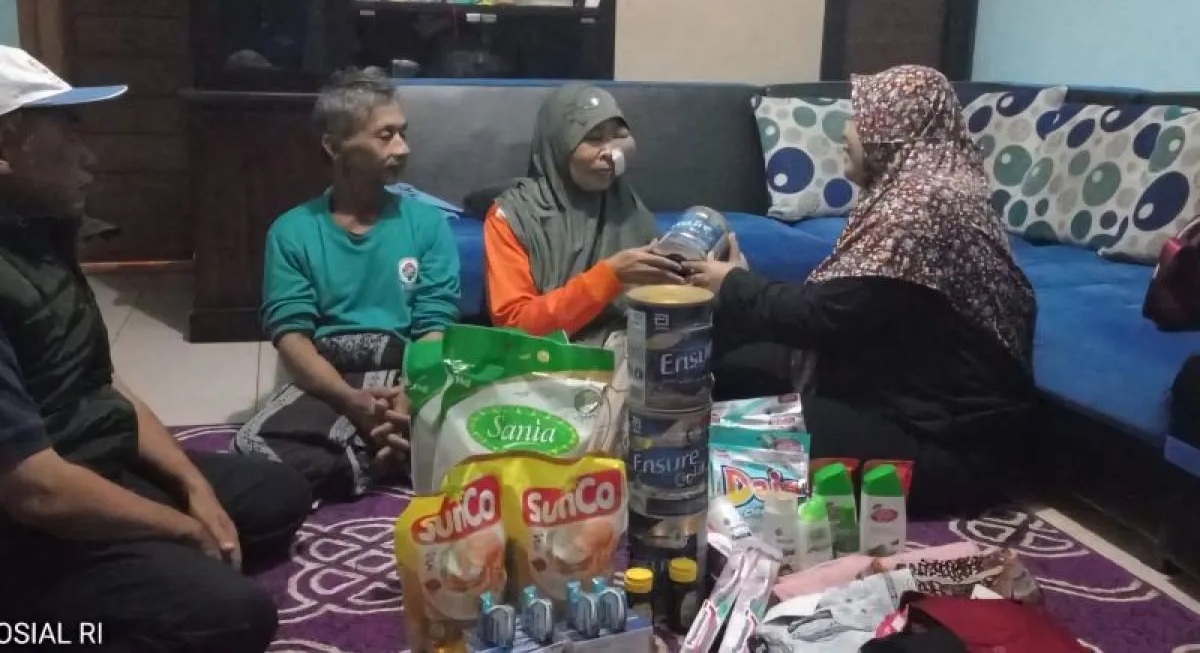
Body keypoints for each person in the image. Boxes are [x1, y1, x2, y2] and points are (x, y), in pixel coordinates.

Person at [0, 45, 310, 652]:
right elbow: (35, 488)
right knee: (234, 616)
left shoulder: (37, 238)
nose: (89, 156)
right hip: (29, 526)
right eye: (67, 134)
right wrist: (180, 529)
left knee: (280, 495)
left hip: (91, 465)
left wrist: (193, 487)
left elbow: (102, 384)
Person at [687, 65, 1038, 517]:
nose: (847, 133)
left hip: (949, 445)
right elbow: (856, 308)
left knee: (725, 436)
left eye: (861, 119)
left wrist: (731, 282)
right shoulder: (933, 186)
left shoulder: (919, 210)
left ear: (894, 131)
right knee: (737, 371)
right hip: (904, 395)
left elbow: (824, 317)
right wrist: (741, 286)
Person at [234, 67, 461, 499]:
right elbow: (291, 336)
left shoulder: (427, 224)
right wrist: (349, 400)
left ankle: (366, 455)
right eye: (385, 136)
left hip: (412, 369)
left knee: (483, 434)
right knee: (253, 447)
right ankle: (383, 457)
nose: (402, 148)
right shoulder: (292, 231)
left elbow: (434, 325)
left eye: (403, 133)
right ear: (334, 146)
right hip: (333, 375)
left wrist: (409, 398)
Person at [484, 82, 684, 344]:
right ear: (558, 147)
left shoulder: (626, 203)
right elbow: (515, 327)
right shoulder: (512, 217)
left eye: (620, 136)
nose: (612, 154)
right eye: (594, 139)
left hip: (629, 347)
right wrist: (609, 277)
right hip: (551, 358)